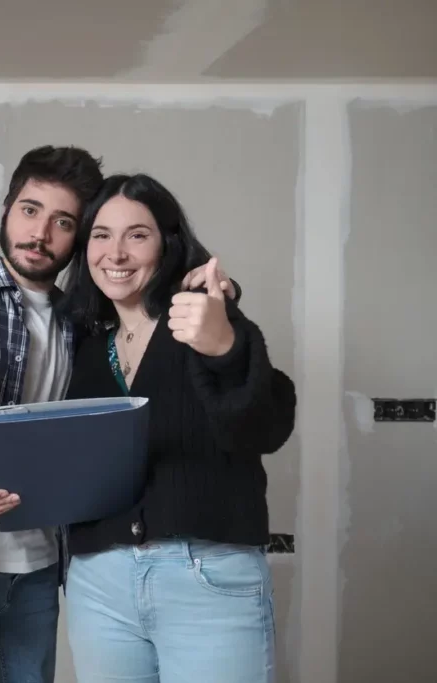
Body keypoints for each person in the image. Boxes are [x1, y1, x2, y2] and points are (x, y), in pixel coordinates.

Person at [0, 147, 235, 683]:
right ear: (8, 209)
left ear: (79, 237)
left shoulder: (82, 321)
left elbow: (146, 311)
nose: (40, 233)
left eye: (63, 222)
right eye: (29, 210)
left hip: (40, 572)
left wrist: (215, 294)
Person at [57, 173, 295, 683]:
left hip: (205, 575)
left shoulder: (202, 316)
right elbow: (73, 468)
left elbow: (267, 427)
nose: (115, 253)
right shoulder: (84, 346)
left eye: (136, 235)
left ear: (168, 244)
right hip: (100, 585)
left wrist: (227, 347)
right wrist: (11, 487)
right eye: (101, 235)